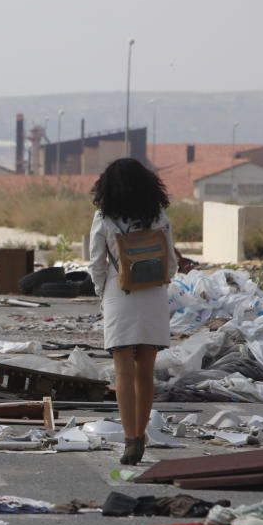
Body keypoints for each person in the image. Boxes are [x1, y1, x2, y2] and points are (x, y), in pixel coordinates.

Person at [88, 158, 177, 465]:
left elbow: (96, 263)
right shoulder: (159, 216)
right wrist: (158, 282)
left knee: (123, 371)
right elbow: (171, 263)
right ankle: (142, 432)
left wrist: (103, 293)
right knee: (146, 372)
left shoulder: (104, 218)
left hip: (119, 294)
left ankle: (131, 440)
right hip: (153, 293)